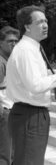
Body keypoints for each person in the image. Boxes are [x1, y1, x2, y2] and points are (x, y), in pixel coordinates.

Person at [6, 5, 56, 165]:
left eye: (45, 21)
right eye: (39, 22)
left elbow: (35, 78)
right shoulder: (26, 50)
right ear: (27, 27)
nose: (45, 25)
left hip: (30, 114)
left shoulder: (31, 48)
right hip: (29, 114)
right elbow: (35, 85)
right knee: (29, 161)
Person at [0, 26, 19, 165]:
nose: (13, 43)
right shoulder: (1, 62)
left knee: (11, 154)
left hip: (12, 110)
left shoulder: (10, 60)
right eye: (10, 41)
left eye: (15, 41)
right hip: (5, 112)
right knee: (5, 155)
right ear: (1, 43)